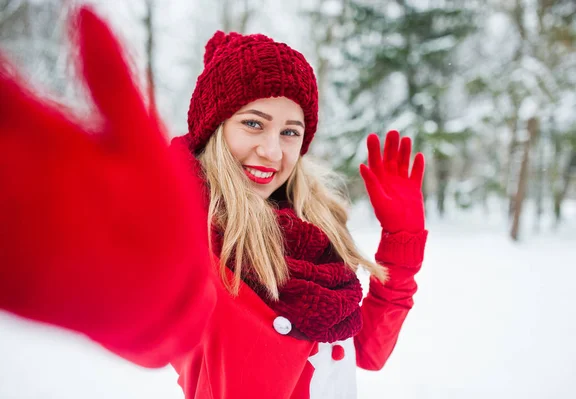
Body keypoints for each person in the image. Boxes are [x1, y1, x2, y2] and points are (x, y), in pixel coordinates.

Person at [0, 6, 428, 399]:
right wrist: (129, 295)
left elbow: (367, 351)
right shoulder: (193, 231)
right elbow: (169, 333)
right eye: (253, 124)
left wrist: (400, 244)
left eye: (290, 131)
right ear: (214, 128)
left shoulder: (313, 229)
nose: (273, 151)